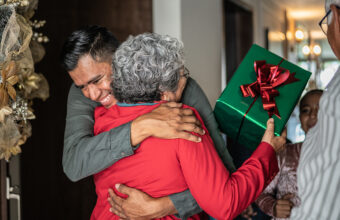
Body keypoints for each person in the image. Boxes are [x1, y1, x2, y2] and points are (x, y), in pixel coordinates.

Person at [91, 32, 283, 220]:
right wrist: (267, 150)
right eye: (183, 74)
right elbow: (225, 204)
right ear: (164, 94)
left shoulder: (100, 118)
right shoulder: (182, 124)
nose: (186, 80)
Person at [61, 25, 236, 219]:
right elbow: (74, 164)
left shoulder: (176, 83)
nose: (92, 94)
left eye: (98, 79)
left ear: (120, 59)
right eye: (82, 86)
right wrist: (141, 127)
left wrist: (167, 206)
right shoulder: (81, 96)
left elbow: (224, 170)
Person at [290, 0, 340, 219]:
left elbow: (321, 209)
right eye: (306, 110)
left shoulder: (335, 98)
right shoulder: (287, 154)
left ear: (335, 17)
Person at [256, 90, 323, 219]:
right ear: (299, 118)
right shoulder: (284, 153)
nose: (313, 115)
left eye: (320, 109)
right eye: (306, 110)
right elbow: (260, 192)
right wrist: (274, 207)